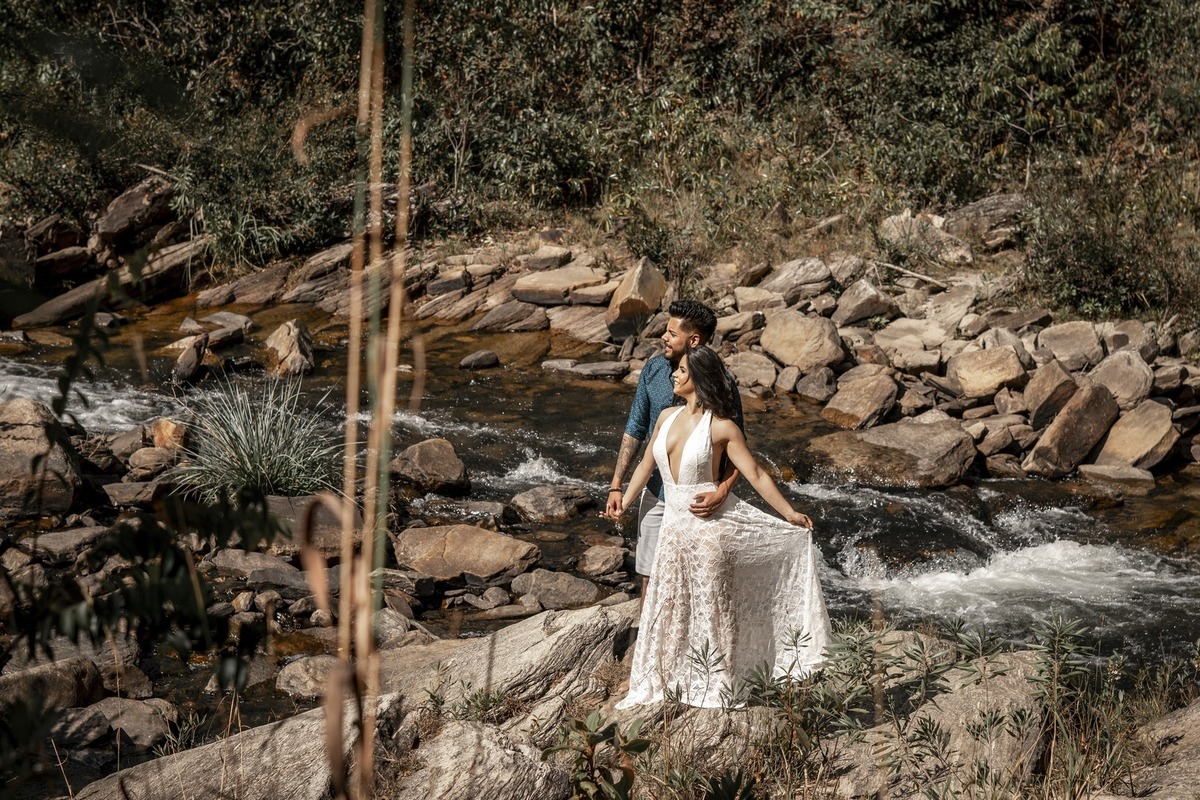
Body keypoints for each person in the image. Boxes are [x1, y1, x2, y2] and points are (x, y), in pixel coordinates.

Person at [605, 344, 831, 708]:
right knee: (671, 607)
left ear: (699, 377)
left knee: (713, 609)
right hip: (673, 534)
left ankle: (720, 683)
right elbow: (646, 465)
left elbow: (754, 472)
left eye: (680, 370)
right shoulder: (665, 416)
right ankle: (669, 676)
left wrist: (789, 512)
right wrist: (622, 500)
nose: (674, 375)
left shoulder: (723, 427)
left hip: (708, 533)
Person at [606, 300, 744, 600]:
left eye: (671, 333)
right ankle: (647, 644)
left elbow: (740, 455)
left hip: (701, 502)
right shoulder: (654, 369)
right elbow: (635, 429)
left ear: (693, 340)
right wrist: (617, 485)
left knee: (698, 583)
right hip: (656, 493)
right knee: (649, 578)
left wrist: (721, 492)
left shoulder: (722, 384)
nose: (663, 338)